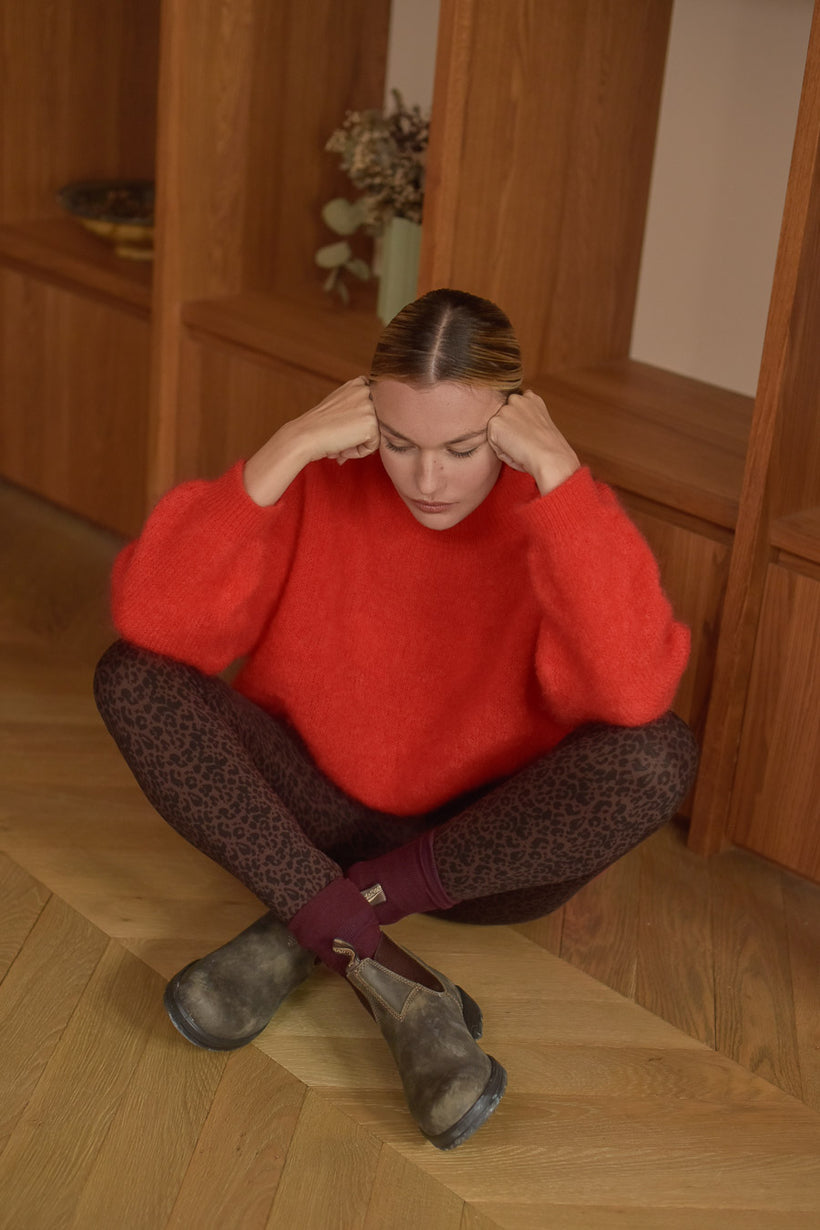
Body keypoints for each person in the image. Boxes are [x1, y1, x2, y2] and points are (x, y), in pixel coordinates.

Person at [94, 288, 697, 1151]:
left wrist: (562, 478)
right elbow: (151, 622)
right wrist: (289, 447)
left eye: (461, 447)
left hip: (476, 851)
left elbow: (634, 698)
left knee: (659, 757)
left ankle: (318, 913)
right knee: (130, 679)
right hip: (312, 804)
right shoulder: (324, 480)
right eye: (400, 442)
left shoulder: (552, 515)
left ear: (514, 424)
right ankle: (389, 974)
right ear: (364, 415)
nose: (427, 479)